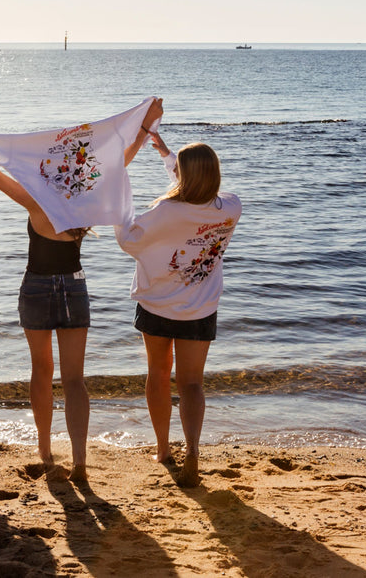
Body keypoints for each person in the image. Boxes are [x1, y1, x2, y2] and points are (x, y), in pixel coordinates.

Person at [0, 99, 162, 480]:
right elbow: (116, 163)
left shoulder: (38, 202)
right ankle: (78, 459)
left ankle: (44, 448)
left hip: (36, 288)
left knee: (41, 371)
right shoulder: (86, 203)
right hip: (74, 288)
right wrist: (145, 126)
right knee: (74, 379)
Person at [115, 133, 241, 487]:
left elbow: (129, 240)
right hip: (200, 309)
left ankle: (162, 449)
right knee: (192, 384)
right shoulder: (231, 207)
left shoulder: (166, 212)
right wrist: (169, 157)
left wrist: (117, 208)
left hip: (157, 304)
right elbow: (197, 196)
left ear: (185, 176)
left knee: (158, 372)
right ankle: (194, 450)